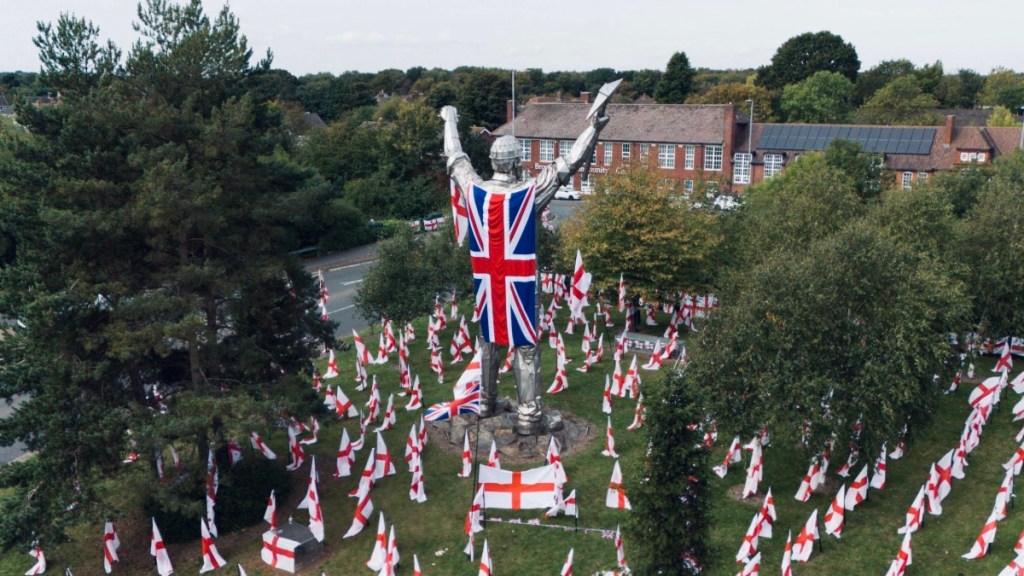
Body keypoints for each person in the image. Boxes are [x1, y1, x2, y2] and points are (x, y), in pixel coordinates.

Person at [440, 96, 611, 435]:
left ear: (491, 161)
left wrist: (449, 120)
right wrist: (592, 129)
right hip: (519, 285)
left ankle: (486, 403)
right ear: (517, 162)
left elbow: (455, 158)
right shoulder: (527, 194)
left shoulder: (474, 190)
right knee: (526, 348)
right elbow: (566, 165)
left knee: (489, 339)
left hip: (487, 283)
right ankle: (529, 417)